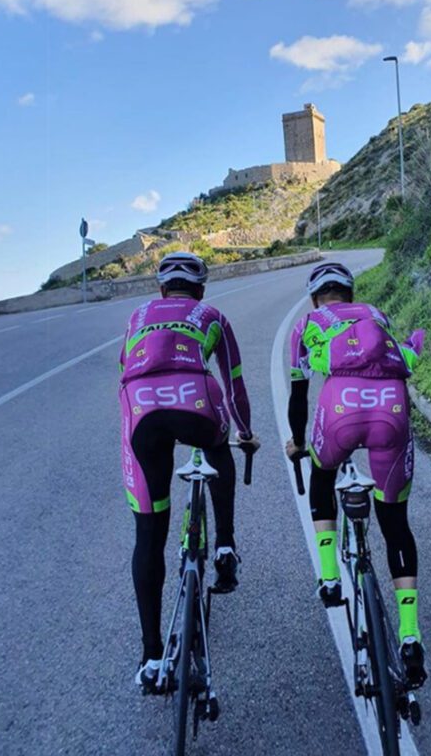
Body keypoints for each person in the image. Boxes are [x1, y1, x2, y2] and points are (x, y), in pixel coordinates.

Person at [119, 251, 260, 692]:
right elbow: (234, 384)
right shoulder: (212, 315)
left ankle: (151, 658)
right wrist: (245, 433)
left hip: (141, 411)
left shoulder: (137, 316)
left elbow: (123, 374)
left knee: (149, 535)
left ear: (162, 290)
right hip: (196, 401)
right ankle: (225, 546)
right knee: (218, 446)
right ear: (200, 290)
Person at [286, 261, 427, 687]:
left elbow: (298, 394)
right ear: (350, 294)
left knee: (322, 475)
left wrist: (298, 442)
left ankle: (330, 577)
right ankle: (409, 635)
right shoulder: (375, 315)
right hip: (391, 412)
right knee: (395, 522)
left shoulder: (307, 324)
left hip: (339, 412)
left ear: (316, 298)